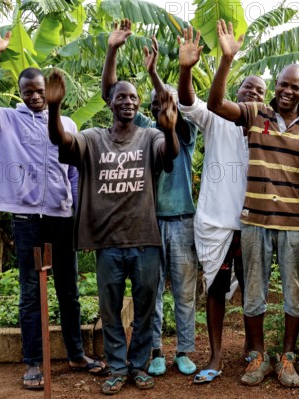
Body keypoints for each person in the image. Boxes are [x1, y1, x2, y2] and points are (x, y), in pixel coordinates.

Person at [0, 13, 108, 390]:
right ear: (21, 91)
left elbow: (75, 172)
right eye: (27, 90)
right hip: (27, 220)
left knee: (69, 289)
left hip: (62, 218)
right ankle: (32, 362)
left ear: (48, 90)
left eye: (39, 90)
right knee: (31, 292)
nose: (33, 96)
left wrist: (77, 214)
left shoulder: (68, 126)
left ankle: (76, 353)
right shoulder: (6, 120)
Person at [45, 43, 179, 394]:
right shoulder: (93, 139)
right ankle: (117, 367)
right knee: (110, 311)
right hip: (108, 244)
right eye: (122, 97)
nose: (129, 102)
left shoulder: (150, 136)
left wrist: (169, 128)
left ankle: (139, 366)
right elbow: (62, 141)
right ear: (110, 102)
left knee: (147, 309)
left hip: (145, 240)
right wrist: (54, 107)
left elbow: (170, 156)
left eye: (134, 98)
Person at [207, 20, 299, 388]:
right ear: (275, 86)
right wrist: (227, 60)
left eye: (296, 86)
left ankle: (287, 356)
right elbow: (214, 104)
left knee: (294, 293)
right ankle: (256, 353)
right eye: (283, 84)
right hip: (254, 220)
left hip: (293, 223)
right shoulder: (256, 114)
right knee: (253, 291)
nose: (288, 91)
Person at [100, 19, 198, 378]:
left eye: (164, 103)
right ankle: (156, 349)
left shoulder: (181, 130)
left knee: (184, 292)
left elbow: (171, 106)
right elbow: (111, 93)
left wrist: (156, 74)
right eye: (154, 104)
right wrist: (113, 50)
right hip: (148, 224)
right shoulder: (143, 131)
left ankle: (184, 350)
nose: (161, 107)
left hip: (183, 220)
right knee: (151, 294)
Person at [174, 26, 267, 384]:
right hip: (216, 221)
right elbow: (188, 101)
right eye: (246, 89)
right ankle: (214, 354)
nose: (252, 95)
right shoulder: (216, 118)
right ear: (235, 94)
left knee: (253, 289)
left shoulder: (269, 127)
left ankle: (253, 350)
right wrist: (187, 69)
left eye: (259, 92)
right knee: (215, 288)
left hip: (256, 222)